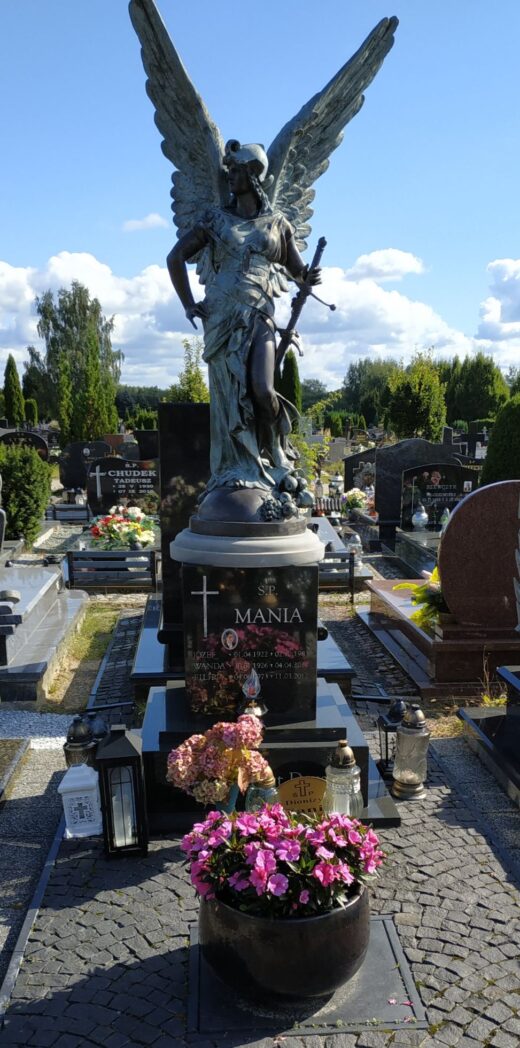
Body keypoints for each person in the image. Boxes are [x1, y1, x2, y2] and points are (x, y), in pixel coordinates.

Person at [167, 141, 320, 496]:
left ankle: (276, 453)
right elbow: (175, 258)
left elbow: (297, 269)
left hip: (259, 314)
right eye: (229, 170)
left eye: (235, 171)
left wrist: (307, 277)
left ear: (253, 175)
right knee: (228, 399)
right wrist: (188, 304)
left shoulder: (277, 224)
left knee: (263, 389)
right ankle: (234, 469)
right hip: (222, 317)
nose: (229, 177)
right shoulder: (215, 220)